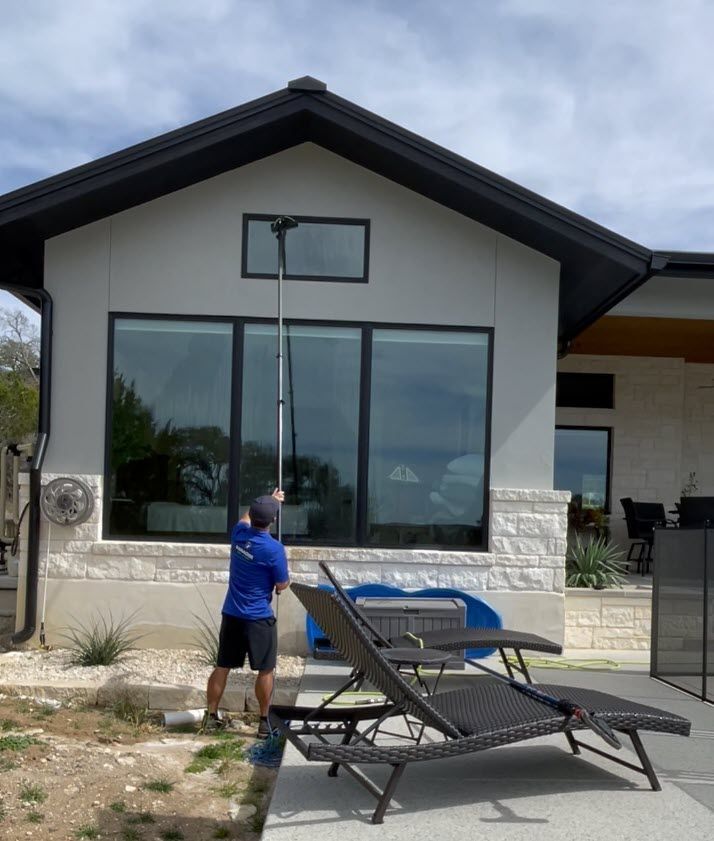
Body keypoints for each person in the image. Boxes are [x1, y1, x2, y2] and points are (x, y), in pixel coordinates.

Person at [203, 488, 289, 737]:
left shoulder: (239, 534)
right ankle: (263, 722)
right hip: (259, 617)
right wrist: (273, 503)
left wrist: (270, 499)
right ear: (273, 520)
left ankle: (211, 717)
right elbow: (282, 584)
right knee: (265, 670)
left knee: (222, 666)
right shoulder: (274, 549)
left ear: (252, 514)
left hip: (232, 614)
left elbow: (245, 518)